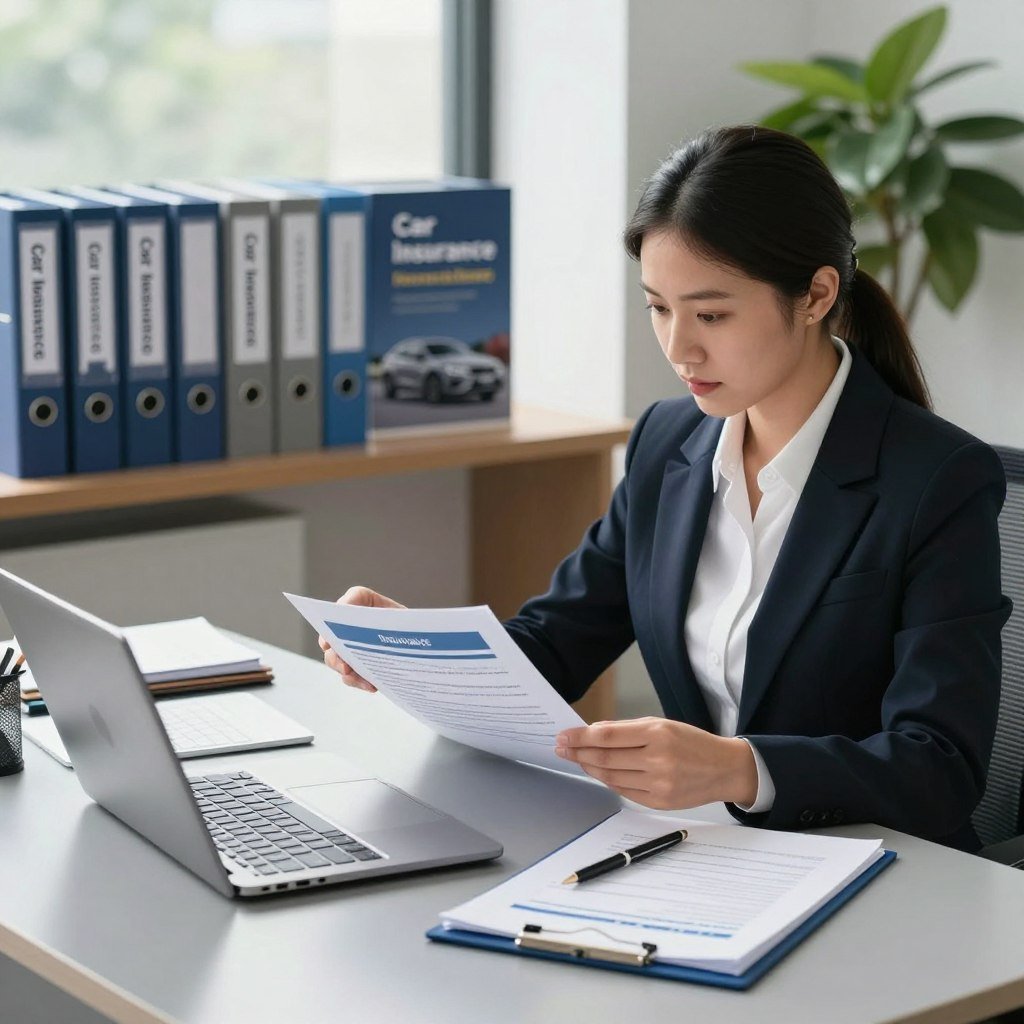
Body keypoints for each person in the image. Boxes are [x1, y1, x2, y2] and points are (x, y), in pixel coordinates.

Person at [320, 125, 1011, 851]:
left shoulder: (937, 480)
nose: (679, 347)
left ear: (815, 295)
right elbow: (555, 644)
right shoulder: (668, 442)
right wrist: (412, 651)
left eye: (711, 314)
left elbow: (940, 769)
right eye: (658, 307)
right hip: (702, 855)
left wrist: (742, 770)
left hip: (879, 869)